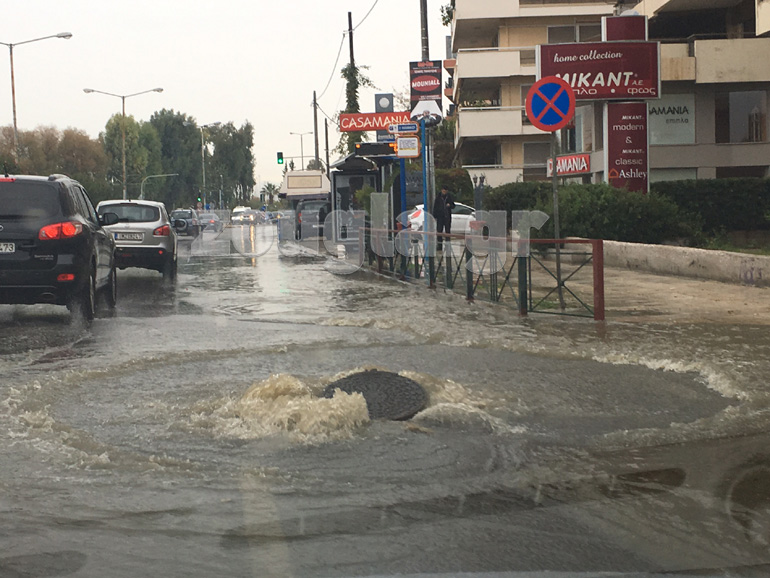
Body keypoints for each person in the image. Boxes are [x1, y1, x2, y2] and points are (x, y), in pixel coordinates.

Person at [432, 186, 455, 251]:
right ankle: (439, 246)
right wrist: (435, 216)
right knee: (439, 231)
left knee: (447, 231)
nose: (444, 192)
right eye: (443, 190)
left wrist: (450, 205)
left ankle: (448, 245)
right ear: (441, 190)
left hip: (447, 217)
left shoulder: (449, 197)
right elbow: (435, 207)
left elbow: (453, 206)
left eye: (445, 191)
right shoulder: (438, 197)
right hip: (440, 217)